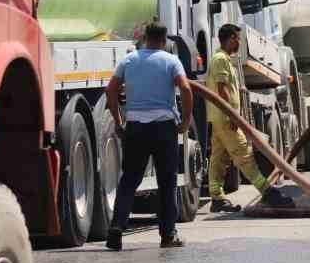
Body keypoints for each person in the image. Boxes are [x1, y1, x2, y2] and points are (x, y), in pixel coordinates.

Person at [105, 21, 195, 250]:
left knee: (129, 180)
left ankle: (116, 228)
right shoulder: (171, 61)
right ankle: (168, 235)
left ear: (145, 38)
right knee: (167, 182)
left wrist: (118, 120)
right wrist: (185, 121)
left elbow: (111, 89)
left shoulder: (129, 60)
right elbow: (185, 88)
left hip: (136, 127)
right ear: (164, 40)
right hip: (164, 128)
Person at [206, 23, 296, 214]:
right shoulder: (220, 59)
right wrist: (231, 113)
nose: (239, 42)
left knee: (219, 158)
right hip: (225, 117)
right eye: (238, 39)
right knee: (244, 155)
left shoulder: (223, 59)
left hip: (220, 117)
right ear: (230, 39)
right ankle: (268, 193)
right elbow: (222, 89)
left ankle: (217, 197)